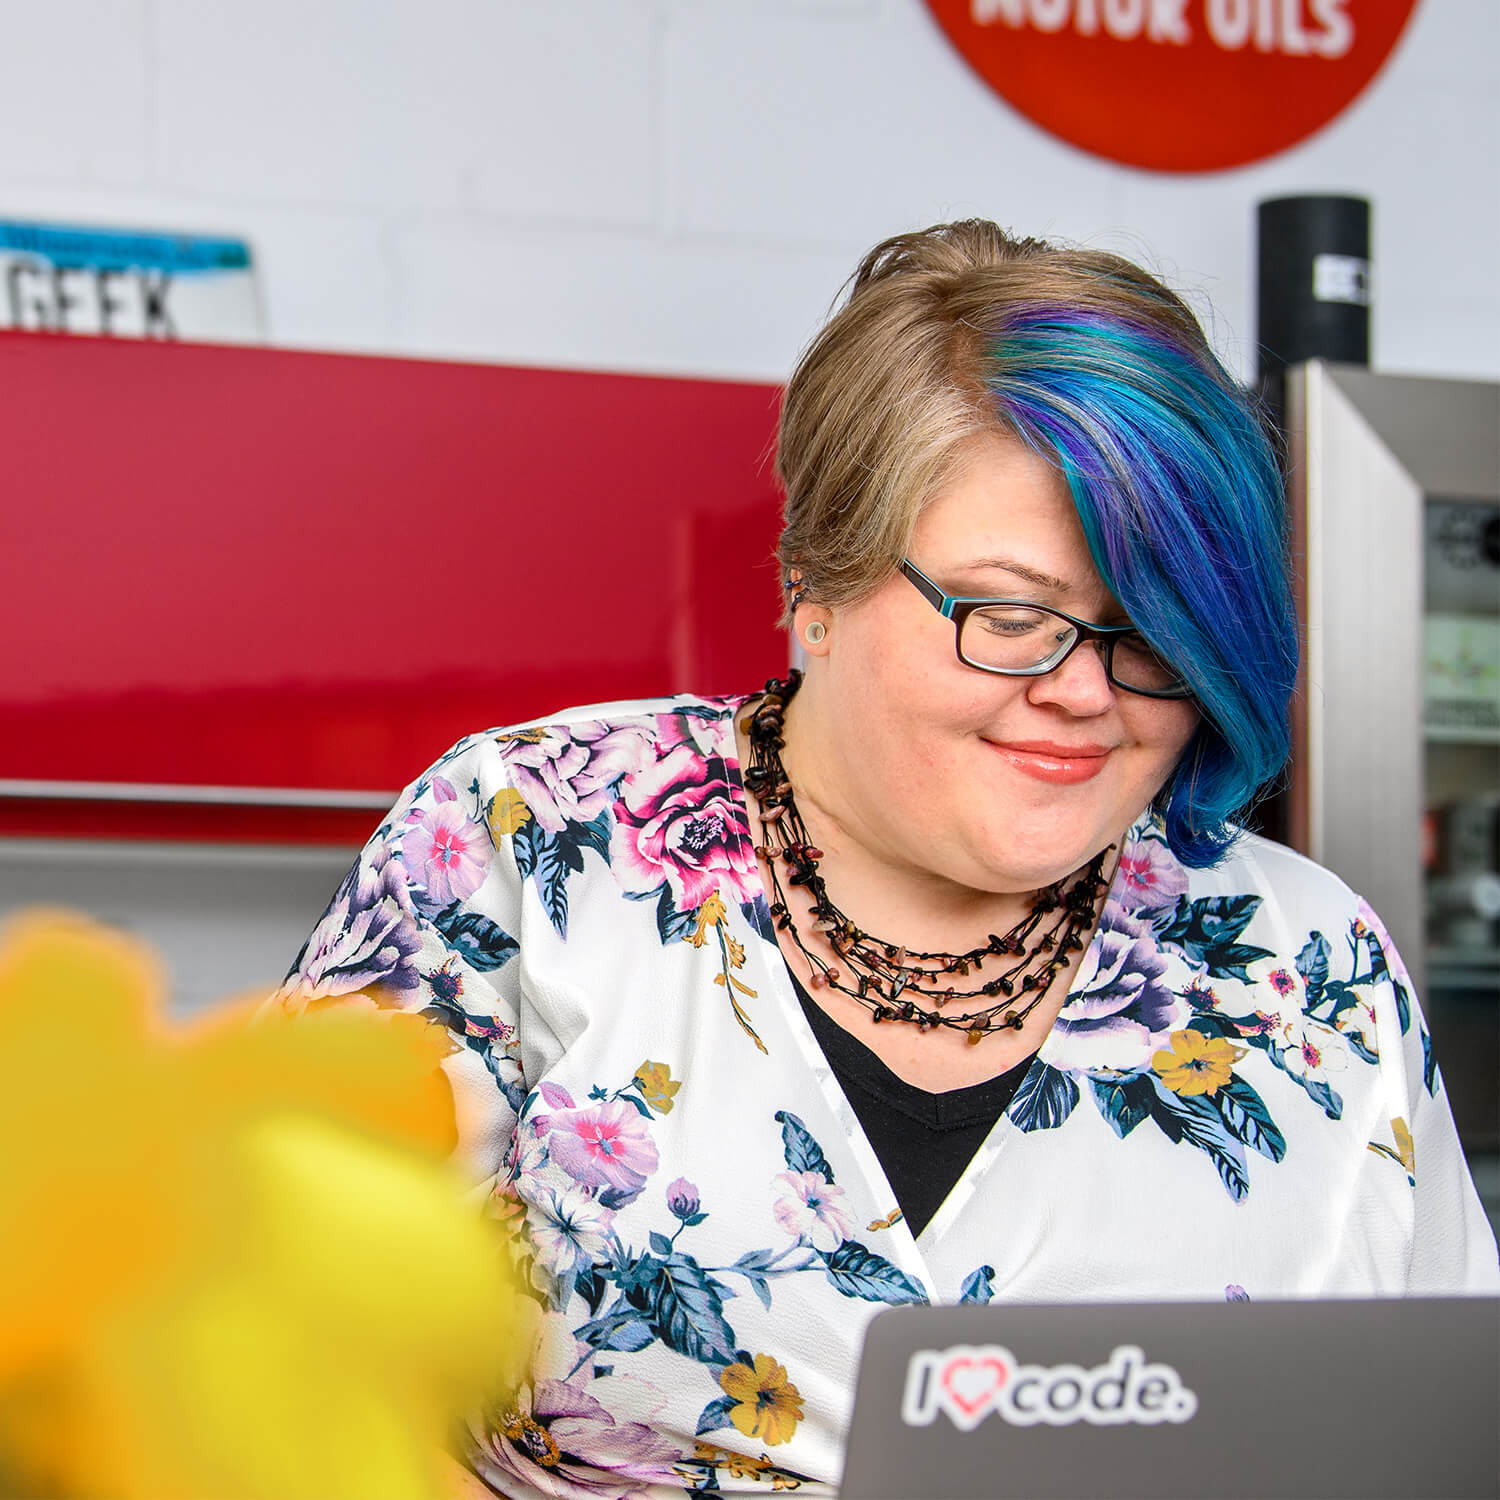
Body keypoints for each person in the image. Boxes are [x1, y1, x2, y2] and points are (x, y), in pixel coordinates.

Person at [276, 220, 1499, 1498]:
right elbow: (264, 1342)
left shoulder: (1309, 963)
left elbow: (1441, 1433)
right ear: (820, 576)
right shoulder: (530, 842)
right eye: (1012, 615)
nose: (1085, 692)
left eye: (1155, 629)